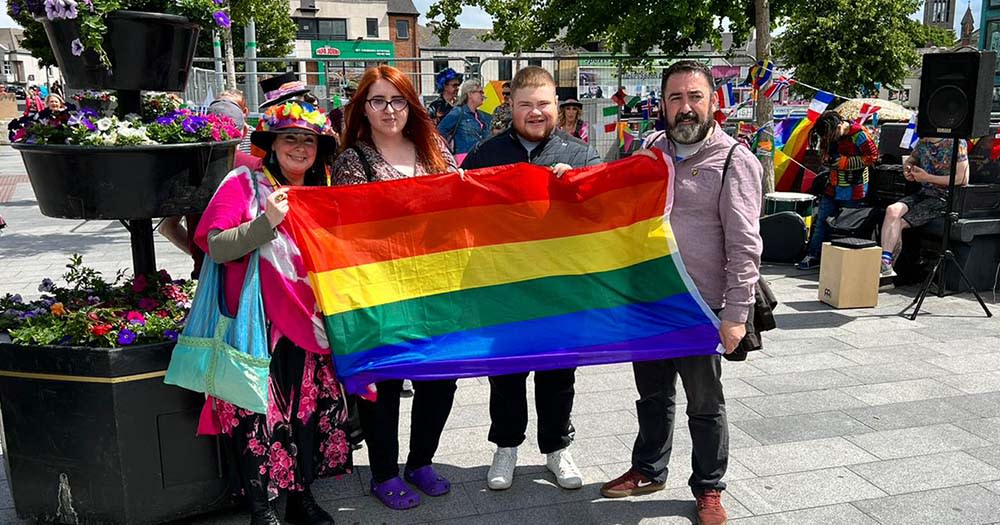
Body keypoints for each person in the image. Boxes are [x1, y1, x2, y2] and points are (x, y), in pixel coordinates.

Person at [600, 60, 762, 525]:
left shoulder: (735, 160)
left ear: (714, 102)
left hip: (702, 307)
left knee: (705, 404)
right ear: (663, 105)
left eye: (695, 97)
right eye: (676, 98)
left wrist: (736, 314)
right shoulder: (650, 151)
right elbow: (610, 197)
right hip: (650, 303)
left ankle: (709, 488)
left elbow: (746, 244)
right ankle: (649, 469)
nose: (685, 108)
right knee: (652, 396)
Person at [193, 101, 349, 525]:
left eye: (309, 140)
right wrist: (267, 221)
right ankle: (262, 509)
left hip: (308, 326)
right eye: (290, 138)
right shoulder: (244, 183)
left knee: (305, 412)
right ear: (273, 144)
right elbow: (214, 243)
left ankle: (301, 498)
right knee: (254, 415)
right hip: (256, 326)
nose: (300, 148)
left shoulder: (321, 192)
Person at [461, 66, 601, 492]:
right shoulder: (485, 155)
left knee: (559, 374)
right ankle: (505, 446)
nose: (535, 112)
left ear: (557, 106)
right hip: (504, 287)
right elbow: (464, 218)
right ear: (511, 106)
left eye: (543, 104)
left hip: (562, 288)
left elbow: (602, 217)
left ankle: (557, 448)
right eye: (526, 105)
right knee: (505, 373)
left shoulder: (582, 157)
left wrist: (578, 190)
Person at [331, 64, 459, 511]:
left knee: (440, 380)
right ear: (363, 109)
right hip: (381, 291)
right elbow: (353, 231)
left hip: (437, 287)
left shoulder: (434, 148)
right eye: (378, 101)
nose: (390, 110)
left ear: (412, 104)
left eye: (398, 99)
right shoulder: (353, 160)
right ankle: (384, 472)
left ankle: (421, 461)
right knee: (384, 383)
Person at [160, 94, 261, 279]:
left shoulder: (187, 172)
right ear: (244, 132)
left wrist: (201, 257)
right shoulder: (255, 167)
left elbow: (167, 228)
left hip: (204, 276)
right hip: (244, 276)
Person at [796, 110, 878, 269]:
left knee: (849, 224)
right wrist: (826, 159)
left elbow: (872, 157)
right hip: (832, 185)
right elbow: (824, 155)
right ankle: (814, 255)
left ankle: (846, 262)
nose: (829, 138)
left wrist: (843, 162)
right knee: (822, 221)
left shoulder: (859, 135)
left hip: (855, 187)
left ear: (839, 125)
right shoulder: (829, 135)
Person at [879, 137, 968, 277]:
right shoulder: (922, 142)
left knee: (899, 223)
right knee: (892, 210)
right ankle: (886, 263)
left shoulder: (956, 143)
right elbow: (911, 160)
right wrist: (907, 168)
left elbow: (962, 178)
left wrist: (927, 178)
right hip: (924, 193)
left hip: (943, 198)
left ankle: (887, 271)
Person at [437, 79, 492, 156]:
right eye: (480, 92)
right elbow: (439, 132)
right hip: (464, 159)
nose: (483, 95)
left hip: (482, 158)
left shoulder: (483, 116)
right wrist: (448, 150)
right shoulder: (458, 112)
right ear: (469, 94)